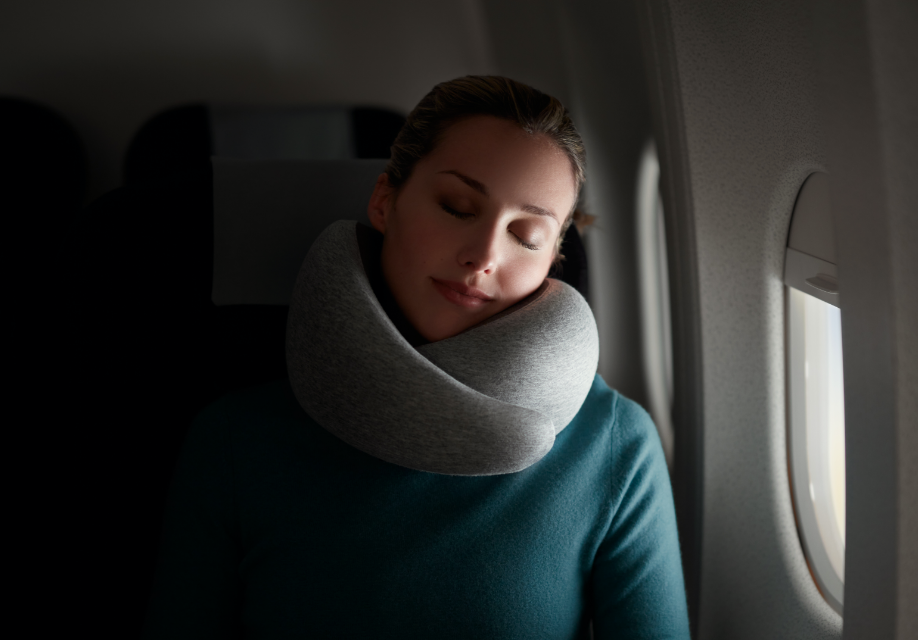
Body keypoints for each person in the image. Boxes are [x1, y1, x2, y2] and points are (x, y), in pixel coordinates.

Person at [144, 76, 690, 639]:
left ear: (552, 259)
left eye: (526, 236)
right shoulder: (236, 442)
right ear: (385, 201)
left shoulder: (615, 444)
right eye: (457, 207)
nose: (483, 255)